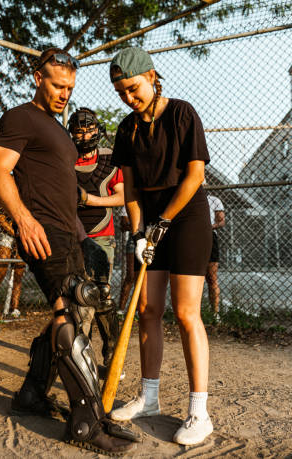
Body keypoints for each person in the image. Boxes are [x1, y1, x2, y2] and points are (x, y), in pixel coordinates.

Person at [0, 47, 138, 455]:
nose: (64, 93)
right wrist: (23, 219)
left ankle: (32, 395)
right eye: (57, 85)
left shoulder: (56, 128)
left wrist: (80, 237)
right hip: (41, 230)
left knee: (65, 310)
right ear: (38, 77)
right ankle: (88, 422)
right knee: (68, 308)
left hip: (68, 235)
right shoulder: (21, 117)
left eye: (69, 87)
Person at [107, 47, 214, 446]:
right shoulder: (126, 128)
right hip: (150, 219)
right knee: (148, 310)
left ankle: (199, 412)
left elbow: (194, 176)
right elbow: (130, 189)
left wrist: (163, 223)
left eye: (133, 89)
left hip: (184, 216)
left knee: (186, 313)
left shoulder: (182, 113)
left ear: (151, 76)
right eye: (121, 93)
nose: (129, 98)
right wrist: (138, 234)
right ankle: (148, 398)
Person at [69, 107, 123, 378]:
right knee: (80, 300)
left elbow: (121, 197)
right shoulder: (65, 159)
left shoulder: (110, 159)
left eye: (89, 129)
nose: (85, 134)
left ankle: (112, 355)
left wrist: (90, 200)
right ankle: (83, 360)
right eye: (79, 130)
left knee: (102, 294)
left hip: (102, 234)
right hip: (73, 235)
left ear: (98, 130)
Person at [206, 193, 225, 320]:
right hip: (192, 238)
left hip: (210, 236)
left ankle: (215, 313)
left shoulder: (214, 200)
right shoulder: (186, 197)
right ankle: (194, 313)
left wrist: (209, 226)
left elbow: (221, 221)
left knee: (212, 278)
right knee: (193, 277)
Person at [117, 206, 136, 314]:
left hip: (151, 240)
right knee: (131, 276)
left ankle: (138, 308)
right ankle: (121, 310)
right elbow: (123, 224)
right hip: (134, 240)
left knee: (148, 278)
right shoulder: (127, 203)